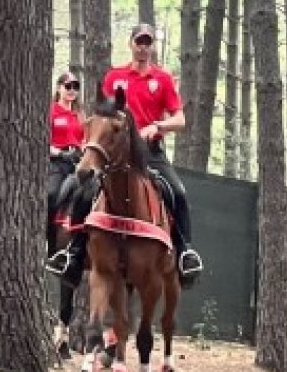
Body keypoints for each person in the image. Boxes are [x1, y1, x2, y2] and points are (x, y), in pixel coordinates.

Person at [45, 23, 205, 287]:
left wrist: (158, 126)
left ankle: (185, 252)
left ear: (152, 47)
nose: (143, 47)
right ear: (130, 44)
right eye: (139, 41)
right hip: (114, 154)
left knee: (177, 192)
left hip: (149, 153)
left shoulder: (162, 79)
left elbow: (180, 119)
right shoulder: (114, 77)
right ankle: (73, 253)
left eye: (147, 42)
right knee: (83, 189)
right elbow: (102, 115)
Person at [46, 72, 85, 256]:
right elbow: (44, 142)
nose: (72, 90)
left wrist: (81, 152)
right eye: (68, 86)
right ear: (59, 88)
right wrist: (61, 153)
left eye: (75, 86)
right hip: (57, 162)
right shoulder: (51, 111)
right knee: (52, 194)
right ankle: (48, 240)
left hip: (78, 162)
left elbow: (84, 139)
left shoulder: (80, 115)